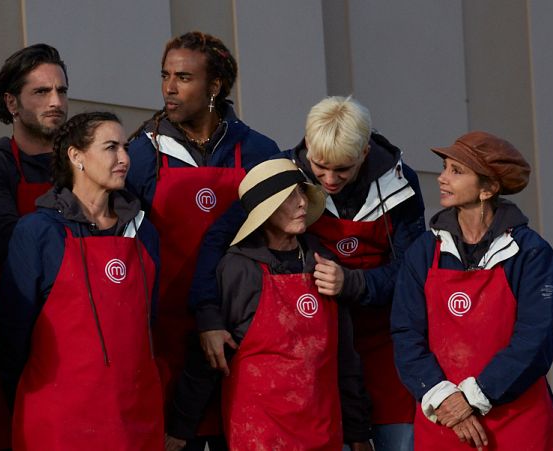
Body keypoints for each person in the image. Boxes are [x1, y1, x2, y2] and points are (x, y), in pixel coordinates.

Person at [191, 96, 424, 450]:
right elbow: (216, 242)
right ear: (307, 145)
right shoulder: (282, 175)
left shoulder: (399, 182)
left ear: (363, 154)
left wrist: (353, 283)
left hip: (384, 342)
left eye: (343, 170)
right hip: (312, 351)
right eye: (319, 167)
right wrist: (209, 316)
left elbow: (412, 275)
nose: (330, 180)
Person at [126, 31, 279, 449]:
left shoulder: (258, 151)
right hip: (166, 334)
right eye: (165, 76)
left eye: (184, 77)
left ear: (214, 86)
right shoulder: (141, 153)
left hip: (242, 336)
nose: (169, 88)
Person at [167, 158, 374, 450]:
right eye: (290, 197)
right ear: (265, 211)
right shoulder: (238, 268)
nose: (302, 203)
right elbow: (208, 358)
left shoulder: (325, 265)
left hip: (322, 430)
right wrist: (181, 427)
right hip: (257, 434)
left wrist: (358, 432)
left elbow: (345, 357)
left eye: (303, 193)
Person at [0, 112, 163, 450]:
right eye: (111, 147)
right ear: (76, 156)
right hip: (59, 421)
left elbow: (150, 323)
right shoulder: (38, 232)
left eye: (125, 148)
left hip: (136, 418)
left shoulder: (145, 232)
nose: (124, 159)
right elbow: (11, 336)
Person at [392, 131, 553, 450]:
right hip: (444, 424)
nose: (442, 178)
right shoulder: (423, 252)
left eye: (456, 171)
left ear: (489, 188)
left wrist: (472, 397)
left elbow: (536, 340)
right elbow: (405, 333)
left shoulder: (531, 253)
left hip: (519, 422)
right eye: (444, 167)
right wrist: (444, 399)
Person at [0, 43, 67, 451]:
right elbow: (6, 240)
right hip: (14, 329)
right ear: (12, 101)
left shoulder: (82, 165)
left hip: (77, 328)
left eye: (61, 90)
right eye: (41, 92)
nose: (56, 102)